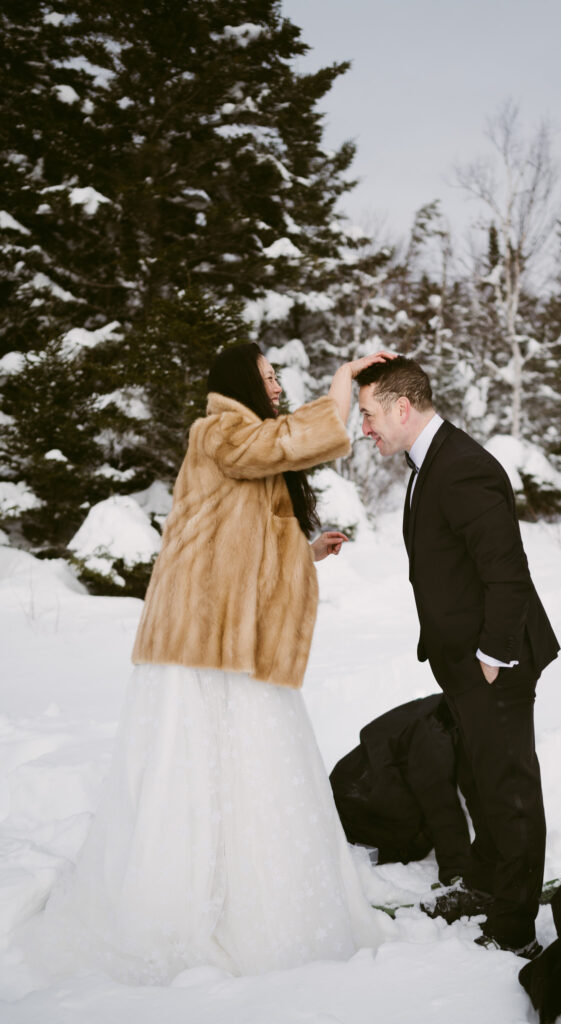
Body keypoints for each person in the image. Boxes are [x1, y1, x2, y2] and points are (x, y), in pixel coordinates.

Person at [29, 343, 389, 984]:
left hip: (229, 639)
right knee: (193, 774)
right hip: (200, 643)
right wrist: (341, 385)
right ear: (239, 382)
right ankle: (187, 909)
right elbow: (280, 445)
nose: (277, 387)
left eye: (279, 379)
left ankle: (241, 893)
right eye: (269, 377)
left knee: (238, 768)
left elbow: (240, 548)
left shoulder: (242, 444)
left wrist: (305, 553)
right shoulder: (222, 429)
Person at [355, 355, 560, 958]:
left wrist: (493, 656)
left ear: (401, 407)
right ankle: (492, 889)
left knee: (508, 785)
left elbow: (507, 571)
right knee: (483, 778)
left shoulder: (464, 467)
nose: (364, 428)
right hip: (466, 662)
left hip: (497, 657)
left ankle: (516, 926)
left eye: (368, 415)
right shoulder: (430, 463)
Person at [330, 694, 472, 882]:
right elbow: (441, 807)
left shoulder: (446, 706)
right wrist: (459, 874)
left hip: (352, 791)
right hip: (361, 811)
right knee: (421, 840)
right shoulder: (433, 737)